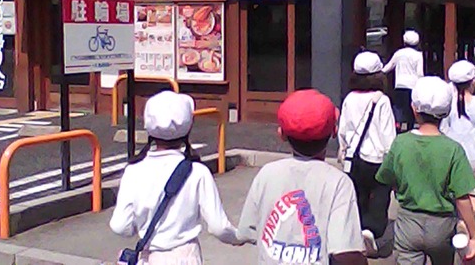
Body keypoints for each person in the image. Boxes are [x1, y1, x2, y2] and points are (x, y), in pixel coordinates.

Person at [238, 89, 367, 265]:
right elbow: (345, 253)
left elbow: (246, 231)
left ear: (281, 134)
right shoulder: (338, 182)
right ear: (334, 132)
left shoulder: (267, 174)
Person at [110, 91, 239, 265]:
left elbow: (120, 226)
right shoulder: (197, 172)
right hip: (185, 257)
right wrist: (241, 237)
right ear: (188, 128)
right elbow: (219, 227)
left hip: (149, 257)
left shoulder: (133, 171)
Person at [376, 76, 475, 265]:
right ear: (446, 112)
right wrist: (474, 235)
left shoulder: (400, 143)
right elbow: (462, 197)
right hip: (442, 224)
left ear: (414, 108)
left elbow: (386, 178)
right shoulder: (453, 149)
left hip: (408, 221)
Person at [338, 51, 396, 256]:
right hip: (377, 158)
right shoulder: (381, 100)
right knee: (380, 194)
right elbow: (388, 134)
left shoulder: (349, 98)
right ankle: (372, 231)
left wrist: (344, 149)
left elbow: (343, 129)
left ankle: (358, 230)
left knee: (358, 195)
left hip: (354, 158)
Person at [440, 60, 475, 216]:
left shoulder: (446, 102)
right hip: (474, 154)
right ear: (473, 81)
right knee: (473, 192)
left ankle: (458, 219)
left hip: (450, 155)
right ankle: (466, 220)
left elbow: (442, 129)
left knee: (454, 191)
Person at [383, 30, 424, 132]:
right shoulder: (418, 55)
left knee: (398, 107)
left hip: (400, 85)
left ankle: (398, 124)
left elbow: (388, 67)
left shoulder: (399, 53)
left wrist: (378, 71)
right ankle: (410, 128)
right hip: (413, 85)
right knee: (410, 108)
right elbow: (420, 73)